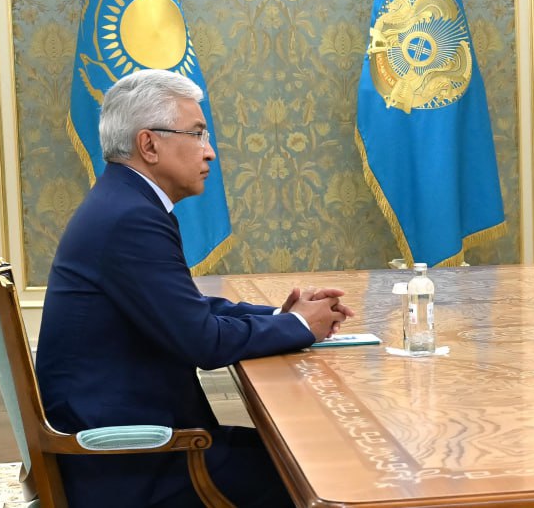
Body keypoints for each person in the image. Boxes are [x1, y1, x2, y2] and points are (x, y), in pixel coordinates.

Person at [36, 69, 353, 507]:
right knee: (328, 470)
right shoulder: (131, 217)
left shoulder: (122, 201)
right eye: (198, 133)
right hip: (130, 462)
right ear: (149, 145)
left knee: (309, 451)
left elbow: (185, 308)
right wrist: (300, 326)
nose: (210, 151)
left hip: (125, 441)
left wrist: (281, 317)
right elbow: (203, 342)